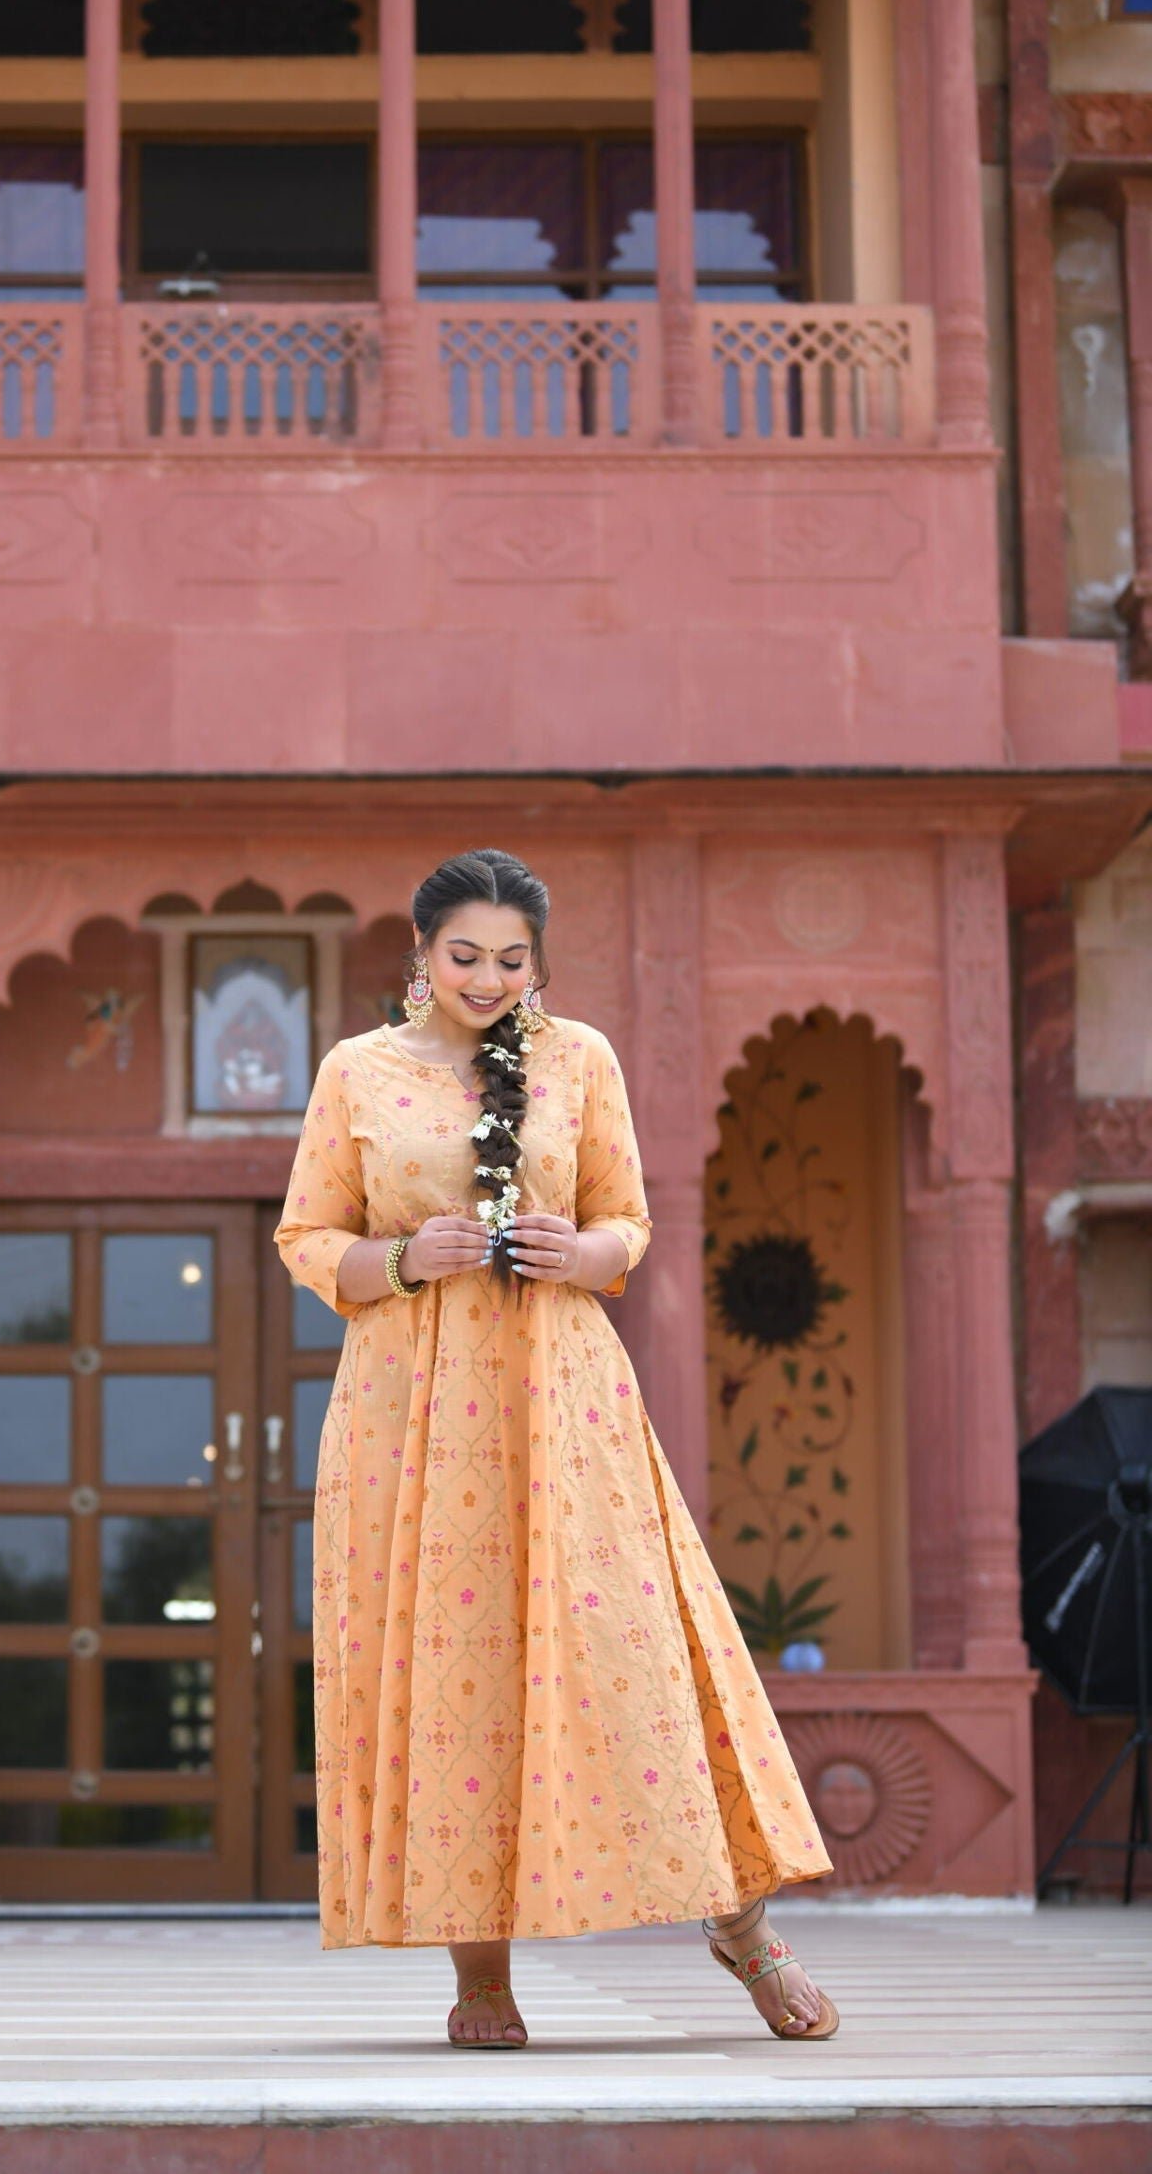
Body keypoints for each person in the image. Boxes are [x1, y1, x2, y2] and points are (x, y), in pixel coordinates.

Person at [274, 847, 839, 2049]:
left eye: (510, 958)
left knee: (639, 1655)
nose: (487, 978)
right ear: (420, 953)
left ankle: (744, 1929)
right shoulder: (356, 1070)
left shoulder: (578, 1057)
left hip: (561, 1395)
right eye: (463, 955)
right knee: (452, 1671)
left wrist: (580, 1253)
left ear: (537, 961)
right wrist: (399, 1259)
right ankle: (480, 1972)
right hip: (412, 1411)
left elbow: (626, 1216)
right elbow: (306, 1236)